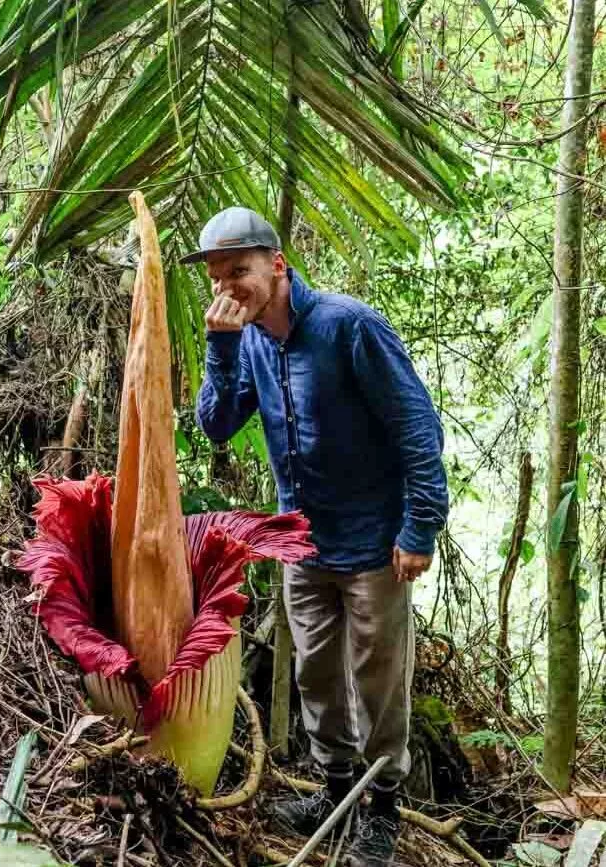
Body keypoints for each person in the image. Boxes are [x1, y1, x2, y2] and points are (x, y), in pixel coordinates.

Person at [182, 207, 449, 866]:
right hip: (302, 544)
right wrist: (219, 347)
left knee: (379, 684)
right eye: (217, 277)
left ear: (277, 264)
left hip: (373, 546)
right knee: (319, 678)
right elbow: (216, 425)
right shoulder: (246, 339)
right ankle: (333, 794)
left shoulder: (347, 326)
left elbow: (418, 428)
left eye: (238, 271)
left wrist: (420, 527)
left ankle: (381, 808)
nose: (228, 288)